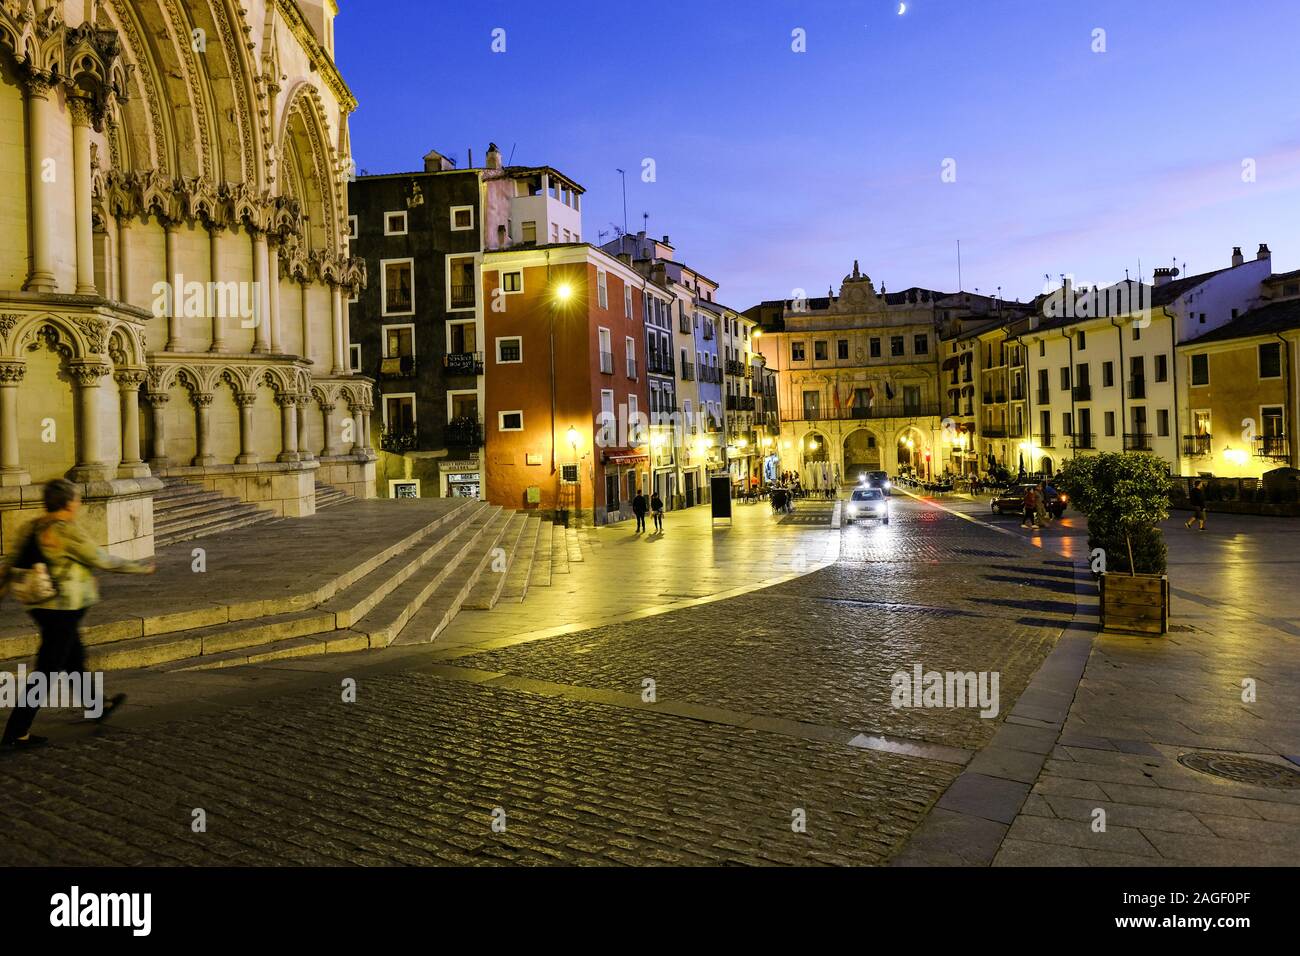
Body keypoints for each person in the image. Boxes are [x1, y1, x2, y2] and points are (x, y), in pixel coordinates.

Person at [1, 479, 155, 749]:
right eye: (76, 499)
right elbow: (101, 559)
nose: (79, 503)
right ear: (68, 502)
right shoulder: (66, 531)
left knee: (74, 658)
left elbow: (11, 563)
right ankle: (17, 731)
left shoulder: (33, 526)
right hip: (63, 608)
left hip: (41, 607)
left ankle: (97, 706)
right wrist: (141, 568)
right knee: (47, 670)